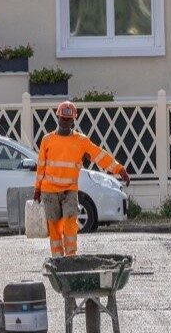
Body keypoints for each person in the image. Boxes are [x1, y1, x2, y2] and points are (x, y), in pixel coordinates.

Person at [34, 101, 130, 257]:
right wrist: (37, 189)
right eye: (63, 119)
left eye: (68, 119)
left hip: (69, 190)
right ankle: (57, 259)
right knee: (55, 226)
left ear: (73, 120)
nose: (65, 122)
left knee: (70, 224)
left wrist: (119, 169)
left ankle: (71, 257)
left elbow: (100, 155)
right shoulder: (47, 140)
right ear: (57, 118)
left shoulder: (81, 141)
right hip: (49, 191)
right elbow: (41, 168)